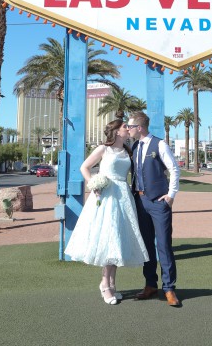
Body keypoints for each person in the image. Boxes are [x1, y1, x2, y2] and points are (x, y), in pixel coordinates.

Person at [64, 119, 149, 305]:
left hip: (123, 196)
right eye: (124, 127)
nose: (128, 129)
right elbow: (84, 167)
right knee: (109, 239)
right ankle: (105, 284)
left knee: (117, 240)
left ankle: (111, 283)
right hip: (106, 196)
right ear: (117, 132)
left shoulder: (128, 150)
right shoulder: (104, 149)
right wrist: (93, 184)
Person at [128, 111, 181, 307]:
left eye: (130, 126)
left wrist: (171, 195)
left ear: (139, 127)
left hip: (159, 203)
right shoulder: (134, 146)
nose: (128, 129)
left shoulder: (159, 144)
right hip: (140, 202)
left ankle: (169, 288)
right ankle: (150, 284)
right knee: (147, 246)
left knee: (164, 246)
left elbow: (174, 169)